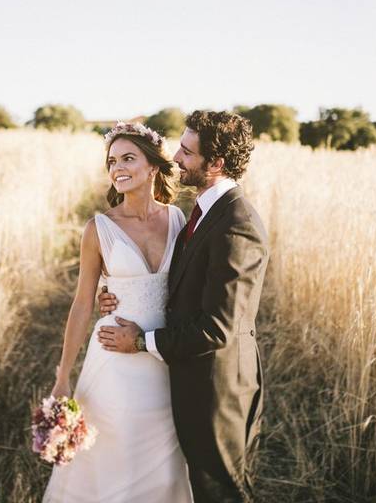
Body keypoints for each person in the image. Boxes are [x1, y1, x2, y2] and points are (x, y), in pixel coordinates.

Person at [97, 110, 269, 503]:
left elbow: (218, 327)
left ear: (217, 164)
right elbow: (177, 285)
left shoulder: (236, 224)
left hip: (218, 388)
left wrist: (141, 343)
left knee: (221, 493)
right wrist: (117, 293)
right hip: (192, 377)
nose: (176, 158)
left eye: (188, 153)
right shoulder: (204, 212)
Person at [42, 121, 193, 503]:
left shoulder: (179, 221)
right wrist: (62, 377)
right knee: (116, 453)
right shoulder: (99, 228)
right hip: (112, 356)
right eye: (112, 161)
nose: (118, 168)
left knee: (165, 457)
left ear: (153, 167)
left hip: (163, 356)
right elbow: (81, 303)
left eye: (129, 158)